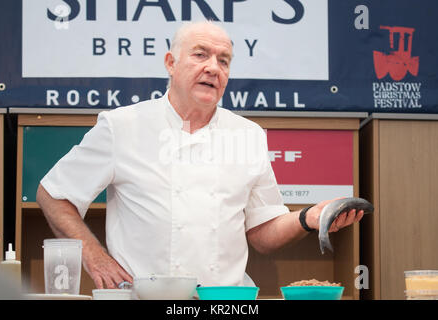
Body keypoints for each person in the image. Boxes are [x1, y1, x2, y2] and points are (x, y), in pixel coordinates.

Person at [36, 21, 363, 289]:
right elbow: (53, 194)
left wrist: (309, 217)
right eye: (201, 55)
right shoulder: (123, 125)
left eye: (223, 61)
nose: (213, 68)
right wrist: (95, 256)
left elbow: (261, 232)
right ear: (170, 63)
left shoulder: (247, 135)